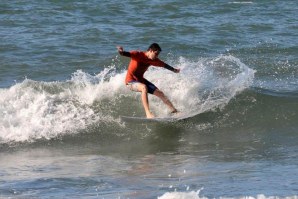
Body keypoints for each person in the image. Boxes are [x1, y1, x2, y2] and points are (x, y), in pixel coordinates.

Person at [117, 43, 180, 118]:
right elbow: (124, 54)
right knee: (144, 87)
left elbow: (164, 65)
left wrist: (174, 70)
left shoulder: (154, 60)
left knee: (160, 93)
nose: (157, 56)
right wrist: (121, 51)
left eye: (158, 55)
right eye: (156, 54)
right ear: (150, 50)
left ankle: (174, 111)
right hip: (130, 81)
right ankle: (148, 113)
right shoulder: (138, 54)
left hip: (140, 81)